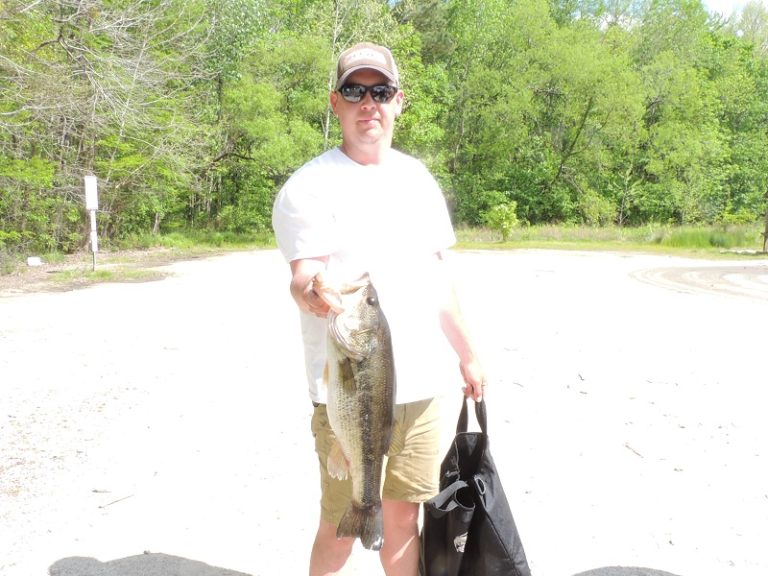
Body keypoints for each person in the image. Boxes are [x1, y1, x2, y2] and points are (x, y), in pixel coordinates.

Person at [272, 42, 486, 576]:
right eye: (354, 91)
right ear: (335, 102)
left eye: (380, 91)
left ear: (398, 102)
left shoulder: (417, 179)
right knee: (339, 526)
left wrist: (468, 355)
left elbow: (439, 278)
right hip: (350, 390)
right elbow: (302, 279)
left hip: (424, 389)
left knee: (401, 523)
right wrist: (314, 289)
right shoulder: (308, 187)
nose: (368, 102)